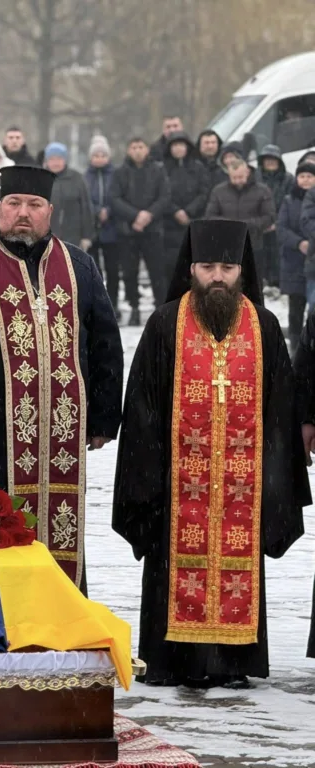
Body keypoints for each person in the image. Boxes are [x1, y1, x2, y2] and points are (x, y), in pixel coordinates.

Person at [113, 219, 308, 690]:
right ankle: (173, 660)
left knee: (239, 567)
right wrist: (146, 480)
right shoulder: (164, 324)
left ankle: (232, 661)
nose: (216, 277)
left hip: (244, 485)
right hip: (175, 490)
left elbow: (281, 410)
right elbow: (141, 409)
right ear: (191, 268)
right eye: (207, 267)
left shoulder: (264, 327)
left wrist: (279, 478)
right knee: (171, 567)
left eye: (226, 266)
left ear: (241, 270)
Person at [0, 165, 123, 593]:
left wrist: (105, 417)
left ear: (50, 211)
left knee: (60, 532)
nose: (23, 214)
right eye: (14, 204)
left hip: (62, 435)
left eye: (34, 205)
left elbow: (105, 339)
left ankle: (62, 614)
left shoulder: (79, 266)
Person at [110, 137, 171, 324]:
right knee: (130, 272)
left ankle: (160, 307)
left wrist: (148, 215)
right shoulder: (120, 172)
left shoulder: (158, 170)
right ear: (128, 150)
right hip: (128, 230)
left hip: (153, 229)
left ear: (147, 150)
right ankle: (134, 306)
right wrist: (135, 216)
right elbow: (114, 198)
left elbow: (165, 196)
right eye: (134, 147)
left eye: (141, 147)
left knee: (157, 271)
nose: (137, 150)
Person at [162, 132, 211, 308]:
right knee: (170, 265)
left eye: (181, 145)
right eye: (174, 145)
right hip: (169, 225)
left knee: (192, 264)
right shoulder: (163, 168)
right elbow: (161, 194)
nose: (178, 148)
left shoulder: (198, 167)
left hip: (193, 222)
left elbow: (204, 193)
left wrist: (189, 211)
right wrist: (175, 210)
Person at [205, 162, 276, 281]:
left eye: (241, 177)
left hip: (253, 245)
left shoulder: (262, 190)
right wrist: (231, 225)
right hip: (225, 247)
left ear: (247, 173)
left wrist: (245, 225)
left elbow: (269, 217)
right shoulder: (218, 191)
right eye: (234, 178)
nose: (238, 181)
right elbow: (210, 216)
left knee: (253, 286)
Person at [278, 163, 315, 349]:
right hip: (294, 260)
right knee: (296, 309)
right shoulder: (288, 200)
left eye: (310, 176)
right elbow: (281, 228)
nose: (306, 180)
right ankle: (294, 346)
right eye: (302, 176)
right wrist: (299, 243)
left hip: (313, 259)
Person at [84, 135, 120, 314]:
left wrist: (109, 210)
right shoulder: (85, 177)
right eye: (96, 155)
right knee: (95, 270)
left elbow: (119, 196)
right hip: (92, 229)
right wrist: (97, 210)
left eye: (103, 155)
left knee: (113, 269)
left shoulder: (116, 175)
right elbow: (84, 199)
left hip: (112, 229)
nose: (99, 158)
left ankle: (113, 303)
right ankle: (98, 304)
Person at [43, 142, 94, 252]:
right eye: (52, 159)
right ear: (46, 161)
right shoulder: (40, 178)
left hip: (73, 236)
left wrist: (86, 236)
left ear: (65, 160)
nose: (55, 163)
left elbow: (86, 208)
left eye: (59, 159)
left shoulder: (77, 179)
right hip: (45, 236)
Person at [256, 145, 294, 290]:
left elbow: (289, 202)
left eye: (273, 159)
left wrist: (277, 222)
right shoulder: (255, 177)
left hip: (281, 222)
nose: (270, 162)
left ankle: (277, 282)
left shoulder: (288, 179)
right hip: (259, 223)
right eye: (267, 159)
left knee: (278, 255)